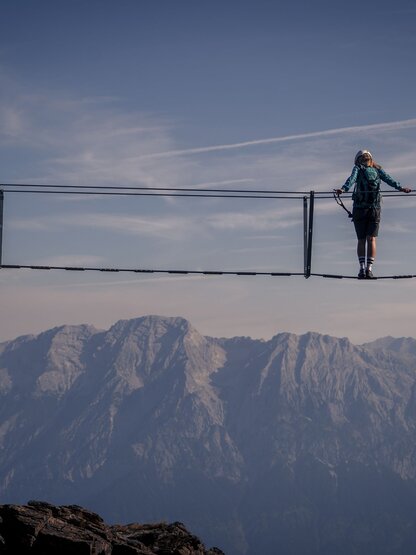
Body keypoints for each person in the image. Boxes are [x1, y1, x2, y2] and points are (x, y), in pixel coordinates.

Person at [336, 150, 411, 279]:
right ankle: (369, 269)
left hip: (359, 208)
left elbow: (352, 179)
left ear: (358, 160)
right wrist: (401, 188)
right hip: (375, 209)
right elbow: (389, 180)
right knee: (371, 239)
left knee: (361, 240)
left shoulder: (358, 168)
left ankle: (362, 269)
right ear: (371, 159)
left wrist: (343, 189)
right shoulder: (377, 170)